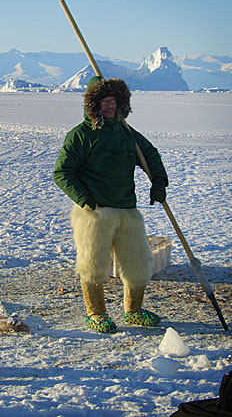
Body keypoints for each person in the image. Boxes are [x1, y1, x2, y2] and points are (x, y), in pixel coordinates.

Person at [53, 76, 168, 333]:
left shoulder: (126, 133)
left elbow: (150, 155)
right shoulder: (80, 136)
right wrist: (84, 198)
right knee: (93, 265)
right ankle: (96, 314)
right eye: (104, 101)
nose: (110, 106)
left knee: (137, 263)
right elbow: (62, 172)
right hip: (95, 213)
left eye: (113, 100)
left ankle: (134, 310)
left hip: (127, 210)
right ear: (93, 104)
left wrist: (158, 182)